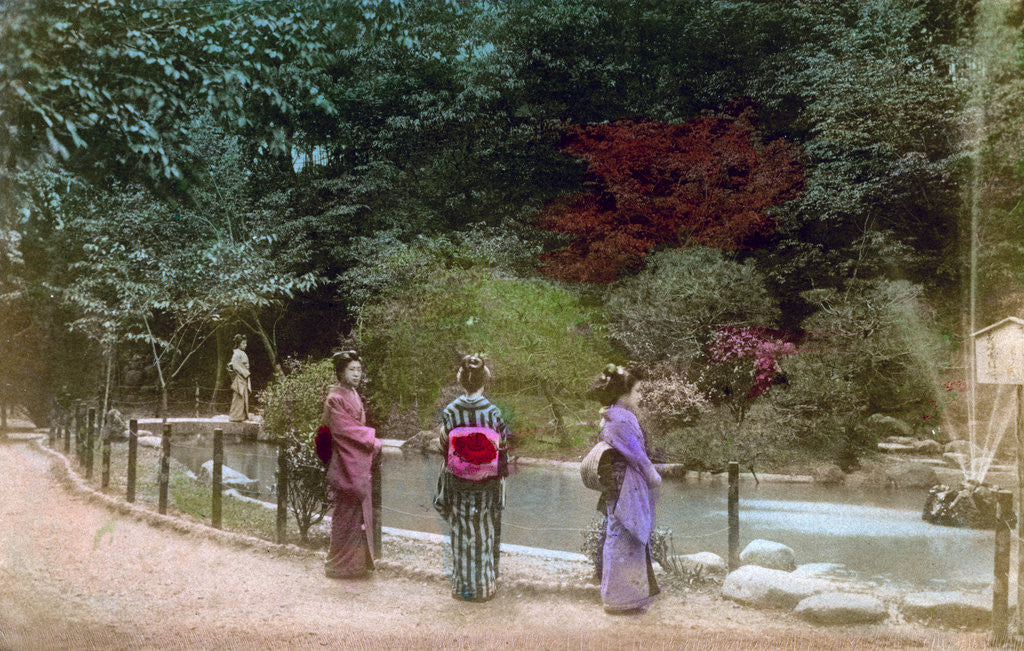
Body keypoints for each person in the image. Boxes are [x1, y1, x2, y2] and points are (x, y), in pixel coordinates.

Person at [433, 354, 509, 602]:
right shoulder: (493, 412)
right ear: (485, 379)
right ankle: (484, 587)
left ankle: (461, 587)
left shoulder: (451, 411)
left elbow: (443, 445)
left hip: (458, 482)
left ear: (460, 380)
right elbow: (503, 445)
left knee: (461, 531)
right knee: (484, 530)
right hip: (486, 483)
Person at [588, 363, 661, 614]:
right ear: (624, 393)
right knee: (624, 534)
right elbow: (637, 456)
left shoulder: (612, 415)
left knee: (621, 534)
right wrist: (653, 475)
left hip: (618, 483)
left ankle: (623, 596)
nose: (640, 396)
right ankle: (621, 598)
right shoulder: (621, 420)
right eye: (638, 391)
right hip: (626, 484)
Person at [321, 350, 381, 579]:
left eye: (359, 369)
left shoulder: (354, 393)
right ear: (340, 372)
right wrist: (370, 440)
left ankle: (356, 565)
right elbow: (343, 429)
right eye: (351, 370)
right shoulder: (334, 398)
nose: (357, 374)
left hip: (354, 457)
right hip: (345, 459)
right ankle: (338, 565)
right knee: (345, 512)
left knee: (358, 513)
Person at [228, 334, 251, 422]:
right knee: (238, 396)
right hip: (240, 377)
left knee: (243, 397)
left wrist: (246, 372)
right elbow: (235, 365)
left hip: (244, 377)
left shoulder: (241, 353)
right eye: (243, 343)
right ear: (239, 344)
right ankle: (235, 416)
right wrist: (246, 373)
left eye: (246, 343)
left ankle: (242, 416)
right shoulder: (236, 354)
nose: (245, 345)